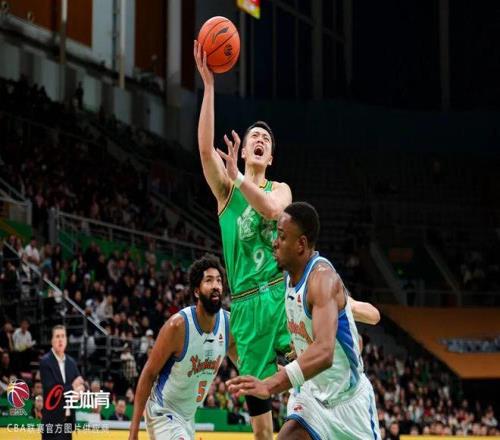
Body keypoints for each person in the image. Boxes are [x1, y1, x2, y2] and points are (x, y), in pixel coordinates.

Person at [194, 39, 293, 440]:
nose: (259, 139)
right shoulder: (226, 193)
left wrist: (238, 175)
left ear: (270, 157)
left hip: (282, 297)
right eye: (254, 136)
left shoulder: (280, 189)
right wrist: (209, 87)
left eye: (265, 139)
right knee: (263, 431)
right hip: (247, 308)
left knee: (312, 394)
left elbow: (270, 210)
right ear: (245, 149)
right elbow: (205, 150)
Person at [228, 202, 382, 439]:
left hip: (348, 405)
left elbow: (324, 352)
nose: (274, 242)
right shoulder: (286, 278)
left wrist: (270, 384)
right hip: (311, 397)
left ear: (301, 244)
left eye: (281, 236)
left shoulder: (322, 280)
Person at [129, 254, 235, 440]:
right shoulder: (178, 326)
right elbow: (148, 374)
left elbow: (246, 363)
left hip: (187, 418)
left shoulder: (228, 325)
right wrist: (134, 431)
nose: (216, 285)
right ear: (196, 291)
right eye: (209, 280)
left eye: (219, 280)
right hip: (163, 412)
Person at [40, 325, 85, 440]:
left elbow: (81, 383)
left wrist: (80, 391)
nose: (60, 339)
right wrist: (73, 387)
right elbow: (53, 391)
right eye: (57, 336)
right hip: (52, 424)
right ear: (52, 340)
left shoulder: (71, 362)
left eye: (63, 336)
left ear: (66, 340)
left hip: (68, 423)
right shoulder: (45, 362)